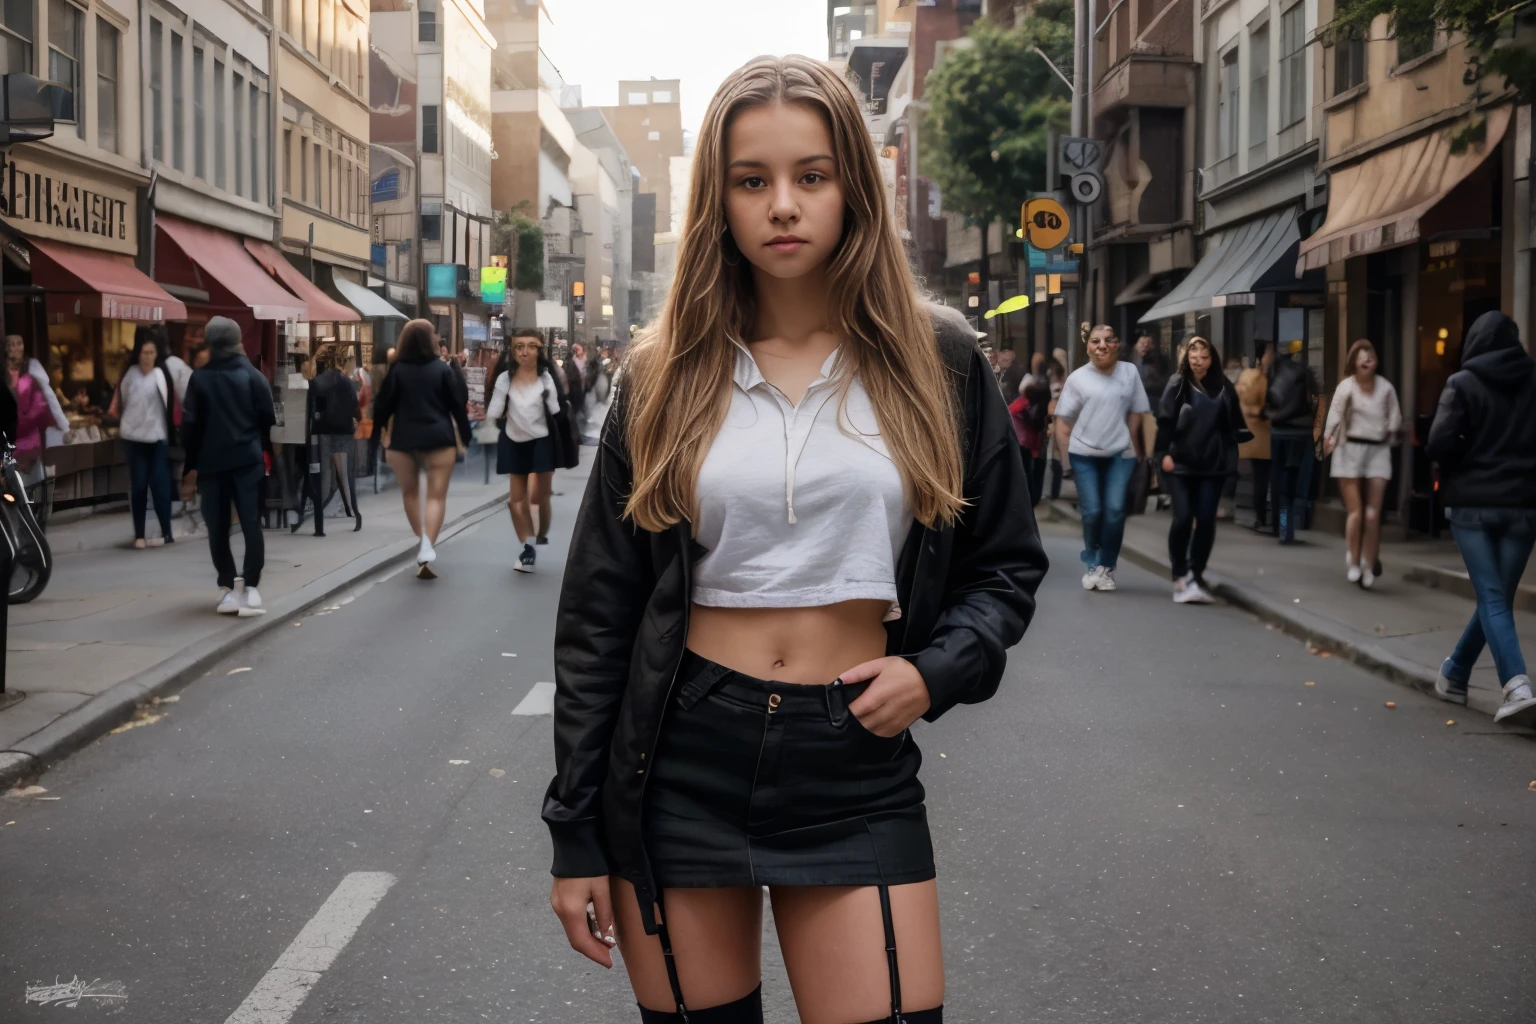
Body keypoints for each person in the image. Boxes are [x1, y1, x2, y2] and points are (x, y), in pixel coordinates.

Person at [544, 55, 1046, 1024]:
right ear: (718, 199)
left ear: (853, 185)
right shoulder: (660, 376)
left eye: (811, 176)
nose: (783, 204)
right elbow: (599, 615)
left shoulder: (936, 362)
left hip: (853, 759)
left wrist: (935, 672)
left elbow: (1006, 565)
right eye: (752, 180)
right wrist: (576, 833)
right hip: (680, 757)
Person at [1427, 311, 1536, 724]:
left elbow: (1438, 443)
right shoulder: (1533, 379)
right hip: (1525, 504)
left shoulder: (1462, 383)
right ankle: (1454, 672)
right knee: (1497, 598)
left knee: (1492, 598)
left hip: (1472, 504)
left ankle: (1515, 686)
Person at [180, 318, 275, 616]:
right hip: (248, 460)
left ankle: (228, 584)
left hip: (211, 463)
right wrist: (267, 454)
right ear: (237, 341)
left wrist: (190, 468)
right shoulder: (253, 376)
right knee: (250, 522)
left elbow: (190, 428)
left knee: (218, 527)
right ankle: (252, 585)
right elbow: (268, 420)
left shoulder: (200, 378)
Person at [372, 320, 472, 579]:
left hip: (404, 440)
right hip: (439, 438)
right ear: (431, 341)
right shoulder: (441, 369)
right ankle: (428, 544)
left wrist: (375, 438)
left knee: (410, 494)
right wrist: (466, 434)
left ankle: (423, 542)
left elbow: (382, 407)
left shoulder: (397, 370)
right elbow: (457, 405)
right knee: (436, 497)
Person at [1154, 336, 1251, 604]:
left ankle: (1196, 572)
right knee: (1183, 517)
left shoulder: (1223, 387)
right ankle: (1179, 572)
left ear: (1212, 360)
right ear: (1186, 359)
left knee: (1206, 519)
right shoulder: (1177, 384)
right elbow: (1164, 422)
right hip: (1180, 463)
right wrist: (1162, 455)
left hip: (1212, 464)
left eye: (1204, 357)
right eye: (1193, 357)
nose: (1198, 361)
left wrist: (1231, 462)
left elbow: (1232, 428)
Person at [1054, 325, 1151, 592]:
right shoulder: (1078, 379)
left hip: (1120, 454)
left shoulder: (1129, 373)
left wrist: (1133, 442)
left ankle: (1106, 566)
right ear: (1088, 348)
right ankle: (1093, 561)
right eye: (1096, 341)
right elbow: (1063, 423)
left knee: (1115, 511)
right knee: (1094, 510)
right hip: (1084, 454)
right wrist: (1066, 462)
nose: (1102, 345)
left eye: (1109, 340)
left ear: (1118, 345)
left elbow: (1136, 410)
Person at [1323, 339, 1402, 589]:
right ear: (1354, 362)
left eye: (1371, 357)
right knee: (1356, 511)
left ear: (1376, 362)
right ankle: (1353, 559)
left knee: (1371, 514)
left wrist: (1391, 429)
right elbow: (1334, 416)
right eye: (1362, 356)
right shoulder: (1346, 387)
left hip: (1377, 450)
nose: (1367, 360)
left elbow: (1395, 417)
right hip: (1349, 449)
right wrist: (1329, 440)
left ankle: (1369, 562)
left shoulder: (1386, 388)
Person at [486, 329, 562, 572]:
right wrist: (496, 417)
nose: (525, 351)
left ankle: (541, 533)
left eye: (531, 346)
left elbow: (556, 410)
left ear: (539, 351)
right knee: (515, 501)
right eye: (519, 347)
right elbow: (494, 411)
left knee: (537, 498)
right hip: (513, 440)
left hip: (541, 441)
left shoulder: (546, 378)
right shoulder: (504, 379)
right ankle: (528, 548)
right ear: (513, 350)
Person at [108, 327, 179, 548]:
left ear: (156, 354)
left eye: (151, 352)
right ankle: (139, 534)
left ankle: (166, 531)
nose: (147, 356)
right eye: (144, 352)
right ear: (138, 354)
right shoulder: (130, 375)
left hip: (157, 438)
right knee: (138, 485)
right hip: (134, 438)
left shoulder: (160, 375)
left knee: (160, 485)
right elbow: (123, 401)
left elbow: (170, 407)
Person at [294, 346, 363, 536]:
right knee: (345, 474)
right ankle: (352, 510)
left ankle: (315, 510)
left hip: (322, 432)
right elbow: (354, 406)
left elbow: (315, 410)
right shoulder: (347, 382)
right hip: (344, 431)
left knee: (322, 474)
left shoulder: (318, 383)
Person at [1264, 339, 1319, 544]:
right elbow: (1315, 401)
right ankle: (1286, 533)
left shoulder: (1275, 373)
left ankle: (1281, 529)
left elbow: (1265, 402)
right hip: (1299, 433)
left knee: (1278, 480)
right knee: (1291, 480)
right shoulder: (1306, 373)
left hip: (1278, 431)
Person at [5, 336, 52, 489]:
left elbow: (39, 405)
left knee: (30, 489)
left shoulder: (31, 370)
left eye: (19, 344)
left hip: (27, 438)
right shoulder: (4, 373)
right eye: (11, 345)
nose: (16, 348)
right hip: (9, 438)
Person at [1236, 344, 1273, 533]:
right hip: (1263, 434)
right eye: (1270, 352)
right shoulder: (1257, 378)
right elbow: (1257, 405)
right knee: (1263, 477)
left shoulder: (1246, 376)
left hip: (1252, 434)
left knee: (1260, 477)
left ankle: (1260, 517)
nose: (1273, 355)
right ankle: (1262, 517)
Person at [1044, 354, 1067, 500]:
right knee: (1053, 460)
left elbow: (1055, 406)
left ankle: (1053, 492)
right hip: (1053, 423)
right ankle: (1052, 491)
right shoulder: (1057, 386)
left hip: (1055, 423)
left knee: (1055, 460)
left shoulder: (1058, 388)